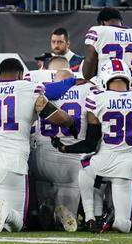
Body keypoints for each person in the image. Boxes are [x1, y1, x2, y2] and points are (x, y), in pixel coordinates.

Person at [0, 58, 72, 233]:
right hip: (11, 167)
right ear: (21, 74)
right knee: (17, 224)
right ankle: (4, 212)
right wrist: (71, 122)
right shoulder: (30, 88)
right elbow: (56, 117)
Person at [54, 59, 132, 233]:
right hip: (127, 165)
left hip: (100, 163)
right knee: (123, 225)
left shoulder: (96, 99)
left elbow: (90, 143)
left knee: (85, 167)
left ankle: (91, 216)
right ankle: (110, 217)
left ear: (104, 79)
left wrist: (65, 148)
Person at [29, 68, 96, 231]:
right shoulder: (88, 90)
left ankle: (46, 206)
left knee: (42, 185)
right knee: (68, 217)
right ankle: (63, 213)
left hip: (41, 156)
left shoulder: (41, 90)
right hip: (72, 158)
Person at [81, 7, 132, 79]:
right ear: (120, 21)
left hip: (105, 86)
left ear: (102, 22)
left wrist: (87, 78)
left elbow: (90, 60)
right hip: (130, 86)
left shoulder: (99, 31)